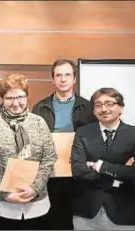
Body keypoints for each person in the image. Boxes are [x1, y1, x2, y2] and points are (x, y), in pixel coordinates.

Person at [0, 74, 57, 230]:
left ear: (27, 96)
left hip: (37, 205)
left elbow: (49, 158)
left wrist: (35, 188)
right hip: (1, 206)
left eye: (21, 97)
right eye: (9, 98)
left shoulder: (38, 122)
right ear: (2, 98)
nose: (15, 103)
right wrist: (5, 193)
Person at [71, 87, 135, 230]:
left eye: (109, 104)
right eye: (98, 105)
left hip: (124, 211)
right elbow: (77, 170)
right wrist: (120, 174)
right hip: (87, 212)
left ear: (120, 108)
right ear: (94, 111)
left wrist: (99, 166)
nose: (104, 109)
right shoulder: (83, 133)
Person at [31, 59, 96, 230]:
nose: (63, 79)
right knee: (52, 220)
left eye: (67, 74)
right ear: (53, 80)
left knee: (77, 220)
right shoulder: (40, 107)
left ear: (74, 79)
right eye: (58, 75)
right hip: (50, 173)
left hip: (79, 173)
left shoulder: (89, 107)